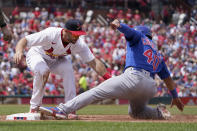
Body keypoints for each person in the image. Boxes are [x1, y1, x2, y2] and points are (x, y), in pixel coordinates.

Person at [39, 19, 184, 120]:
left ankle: (62, 110)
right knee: (136, 113)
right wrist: (175, 97)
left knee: (95, 92)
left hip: (134, 78)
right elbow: (168, 79)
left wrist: (118, 24)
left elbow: (127, 30)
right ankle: (159, 113)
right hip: (151, 87)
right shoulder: (157, 53)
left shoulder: (138, 36)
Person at [14, 19, 111, 119]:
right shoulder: (51, 33)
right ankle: (34, 107)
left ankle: (70, 108)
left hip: (55, 60)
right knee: (43, 70)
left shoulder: (79, 43)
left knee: (68, 69)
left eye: (79, 34)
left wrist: (109, 78)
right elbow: (24, 40)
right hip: (36, 55)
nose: (77, 37)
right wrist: (19, 51)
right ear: (65, 31)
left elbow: (93, 62)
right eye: (74, 34)